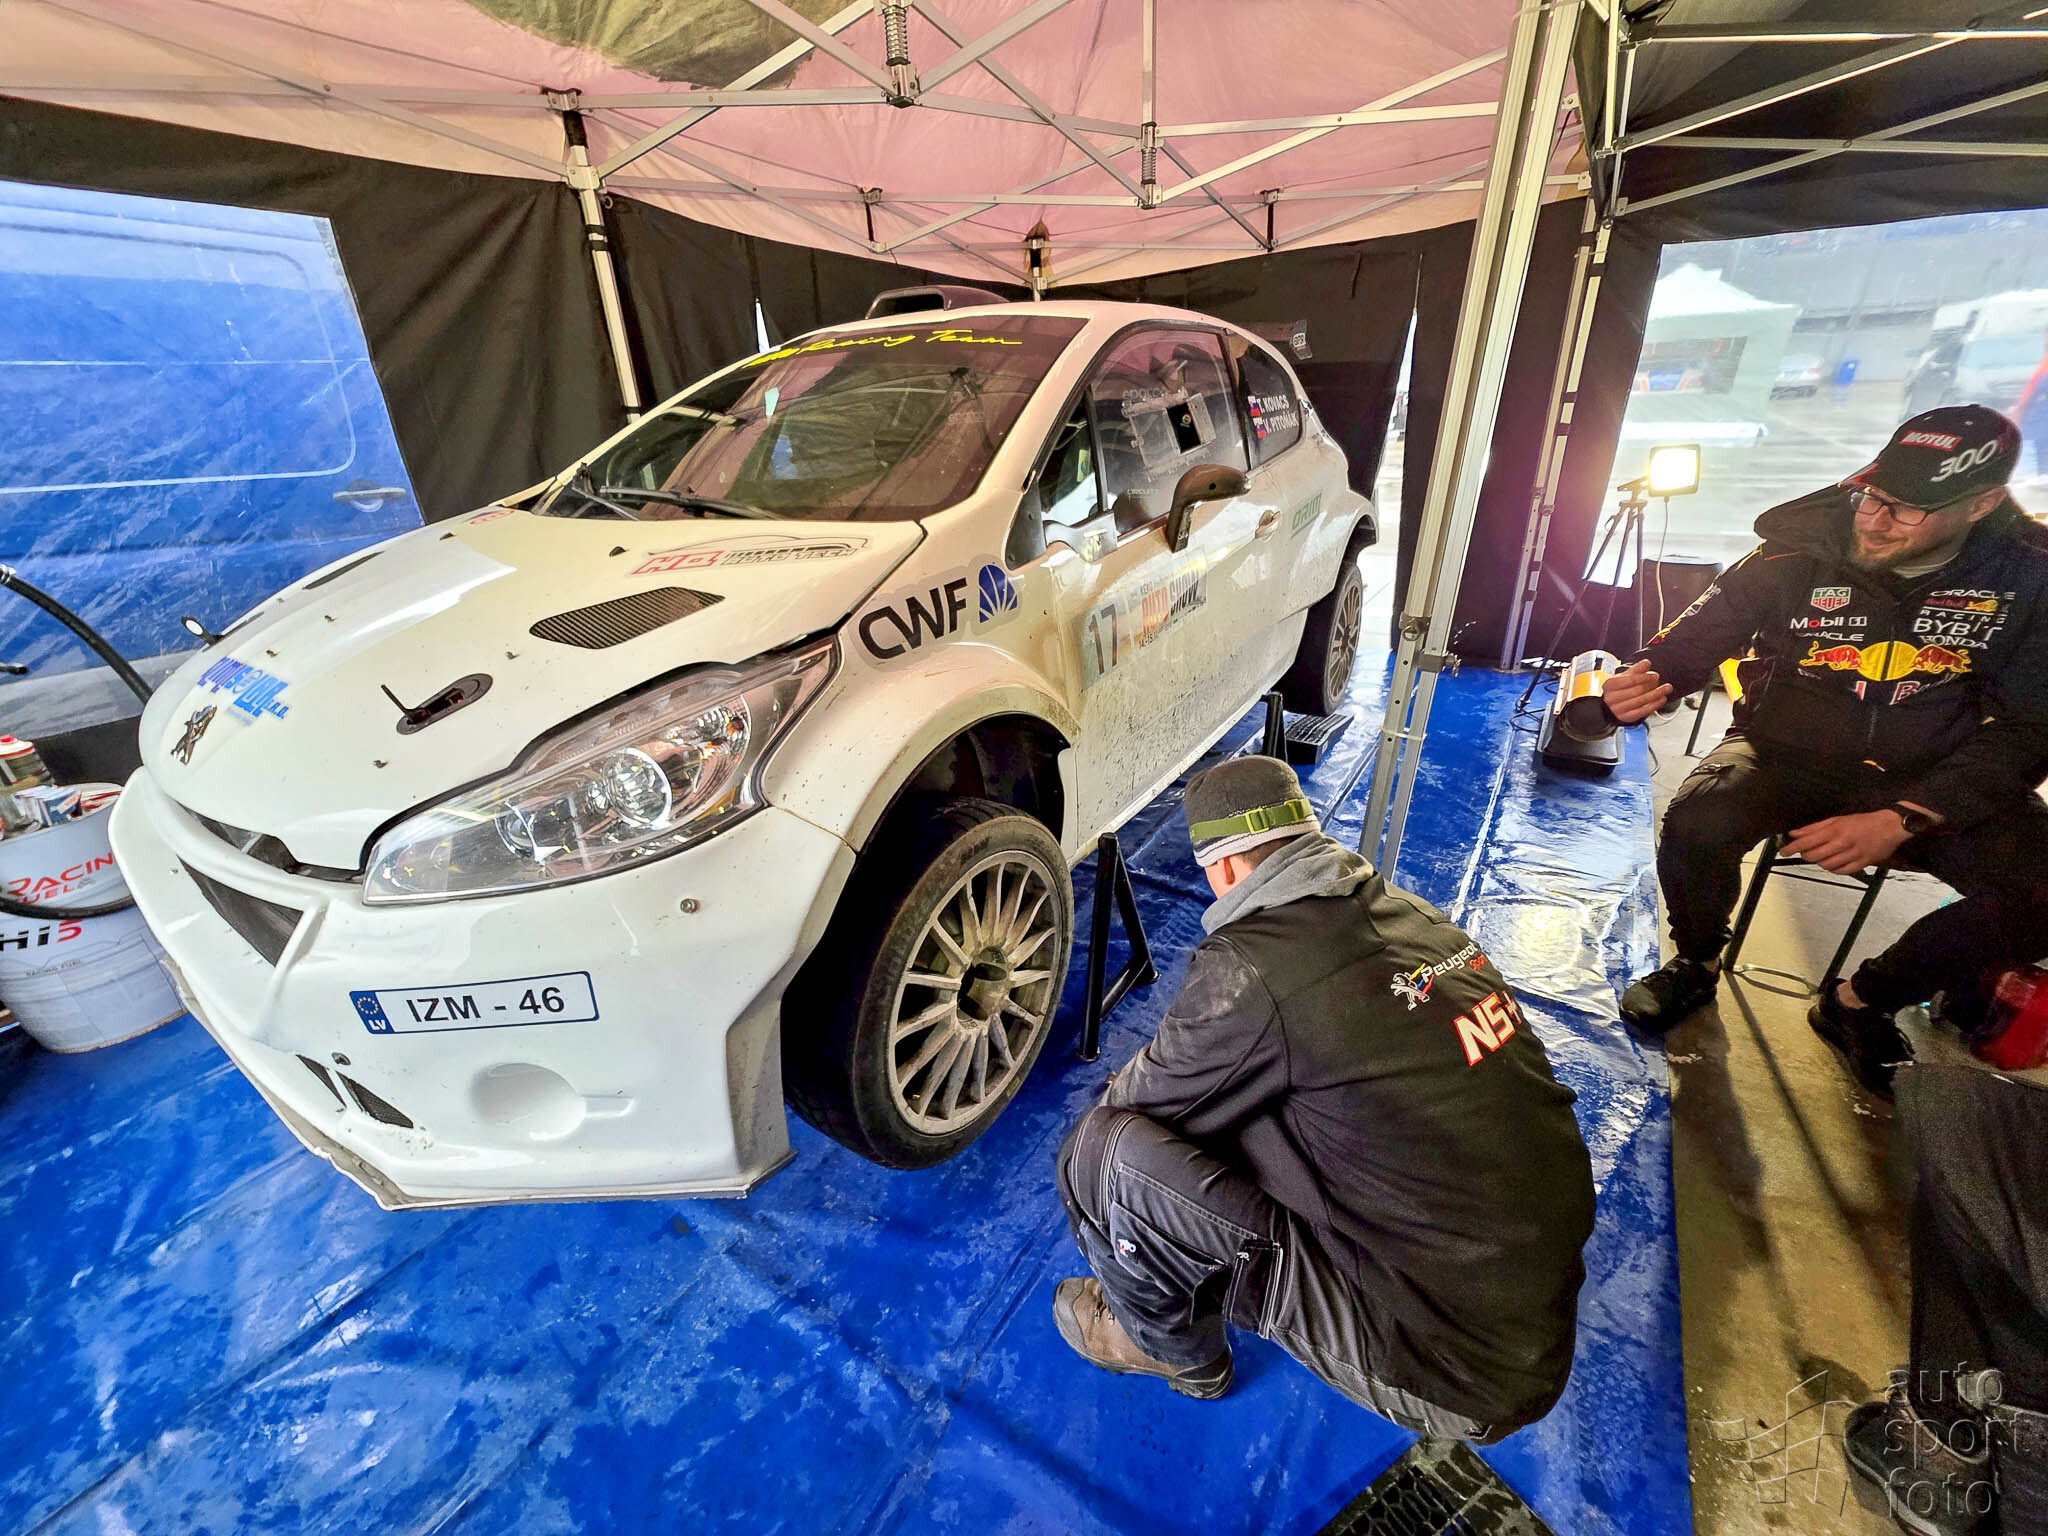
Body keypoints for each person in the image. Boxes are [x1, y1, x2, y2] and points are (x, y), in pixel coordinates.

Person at [1050, 756, 1596, 1441]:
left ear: (1223, 867)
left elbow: (1139, 1101)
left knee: (1099, 1154)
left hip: (1449, 1368)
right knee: (1264, 1095)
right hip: (1520, 1316)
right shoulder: (1419, 919)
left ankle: (1174, 1352)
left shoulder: (1256, 965)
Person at [1606, 405, 2048, 1095]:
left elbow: (2031, 728)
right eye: (1873, 495)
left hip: (1933, 773)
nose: (1875, 521)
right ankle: (1695, 963)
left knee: (2041, 893)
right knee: (1697, 819)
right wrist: (1646, 682)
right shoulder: (1796, 546)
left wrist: (1907, 815)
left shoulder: (2031, 575)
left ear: (1981, 505)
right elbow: (1691, 643)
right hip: (1783, 749)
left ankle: (1861, 1002)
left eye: (1907, 510)